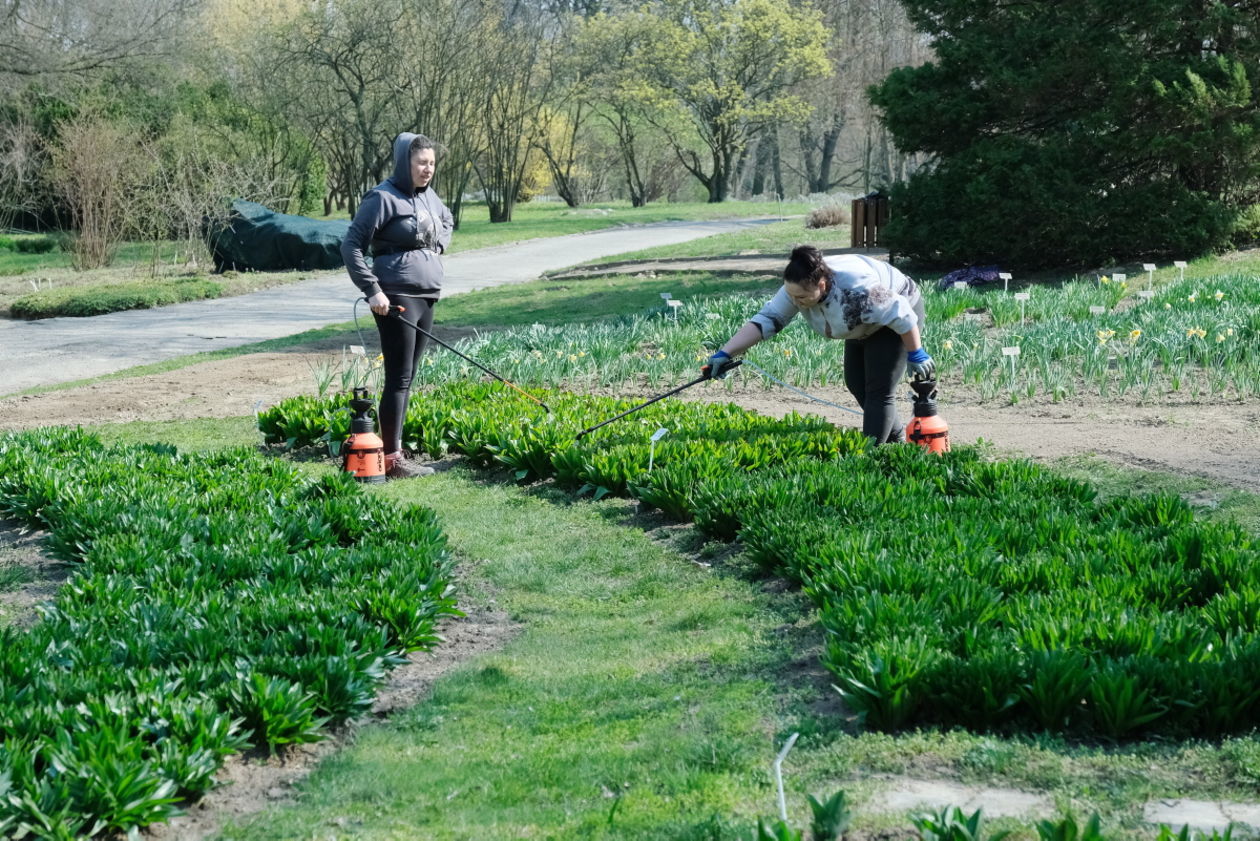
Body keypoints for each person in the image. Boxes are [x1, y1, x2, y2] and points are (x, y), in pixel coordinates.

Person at [701, 245, 934, 445]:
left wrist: (916, 353)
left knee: (879, 390)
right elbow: (767, 321)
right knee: (856, 384)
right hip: (858, 325)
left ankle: (871, 455)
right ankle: (894, 438)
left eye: (801, 297)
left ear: (822, 285)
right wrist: (725, 352)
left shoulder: (859, 291)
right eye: (791, 296)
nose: (795, 302)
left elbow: (902, 315)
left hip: (894, 323)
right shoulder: (797, 287)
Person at [342, 132, 454, 479]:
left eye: (432, 163)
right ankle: (391, 459)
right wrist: (373, 290)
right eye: (422, 162)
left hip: (427, 295)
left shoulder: (430, 197)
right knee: (399, 377)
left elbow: (447, 220)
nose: (428, 169)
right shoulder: (382, 197)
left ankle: (397, 450)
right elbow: (351, 245)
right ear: (405, 161)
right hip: (395, 296)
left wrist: (434, 249)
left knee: (410, 376)